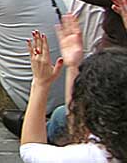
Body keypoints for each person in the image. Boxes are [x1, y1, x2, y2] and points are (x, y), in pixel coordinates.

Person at [20, 16, 127, 163]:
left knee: (59, 116)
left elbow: (30, 149)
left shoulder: (90, 155)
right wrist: (73, 66)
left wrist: (40, 83)